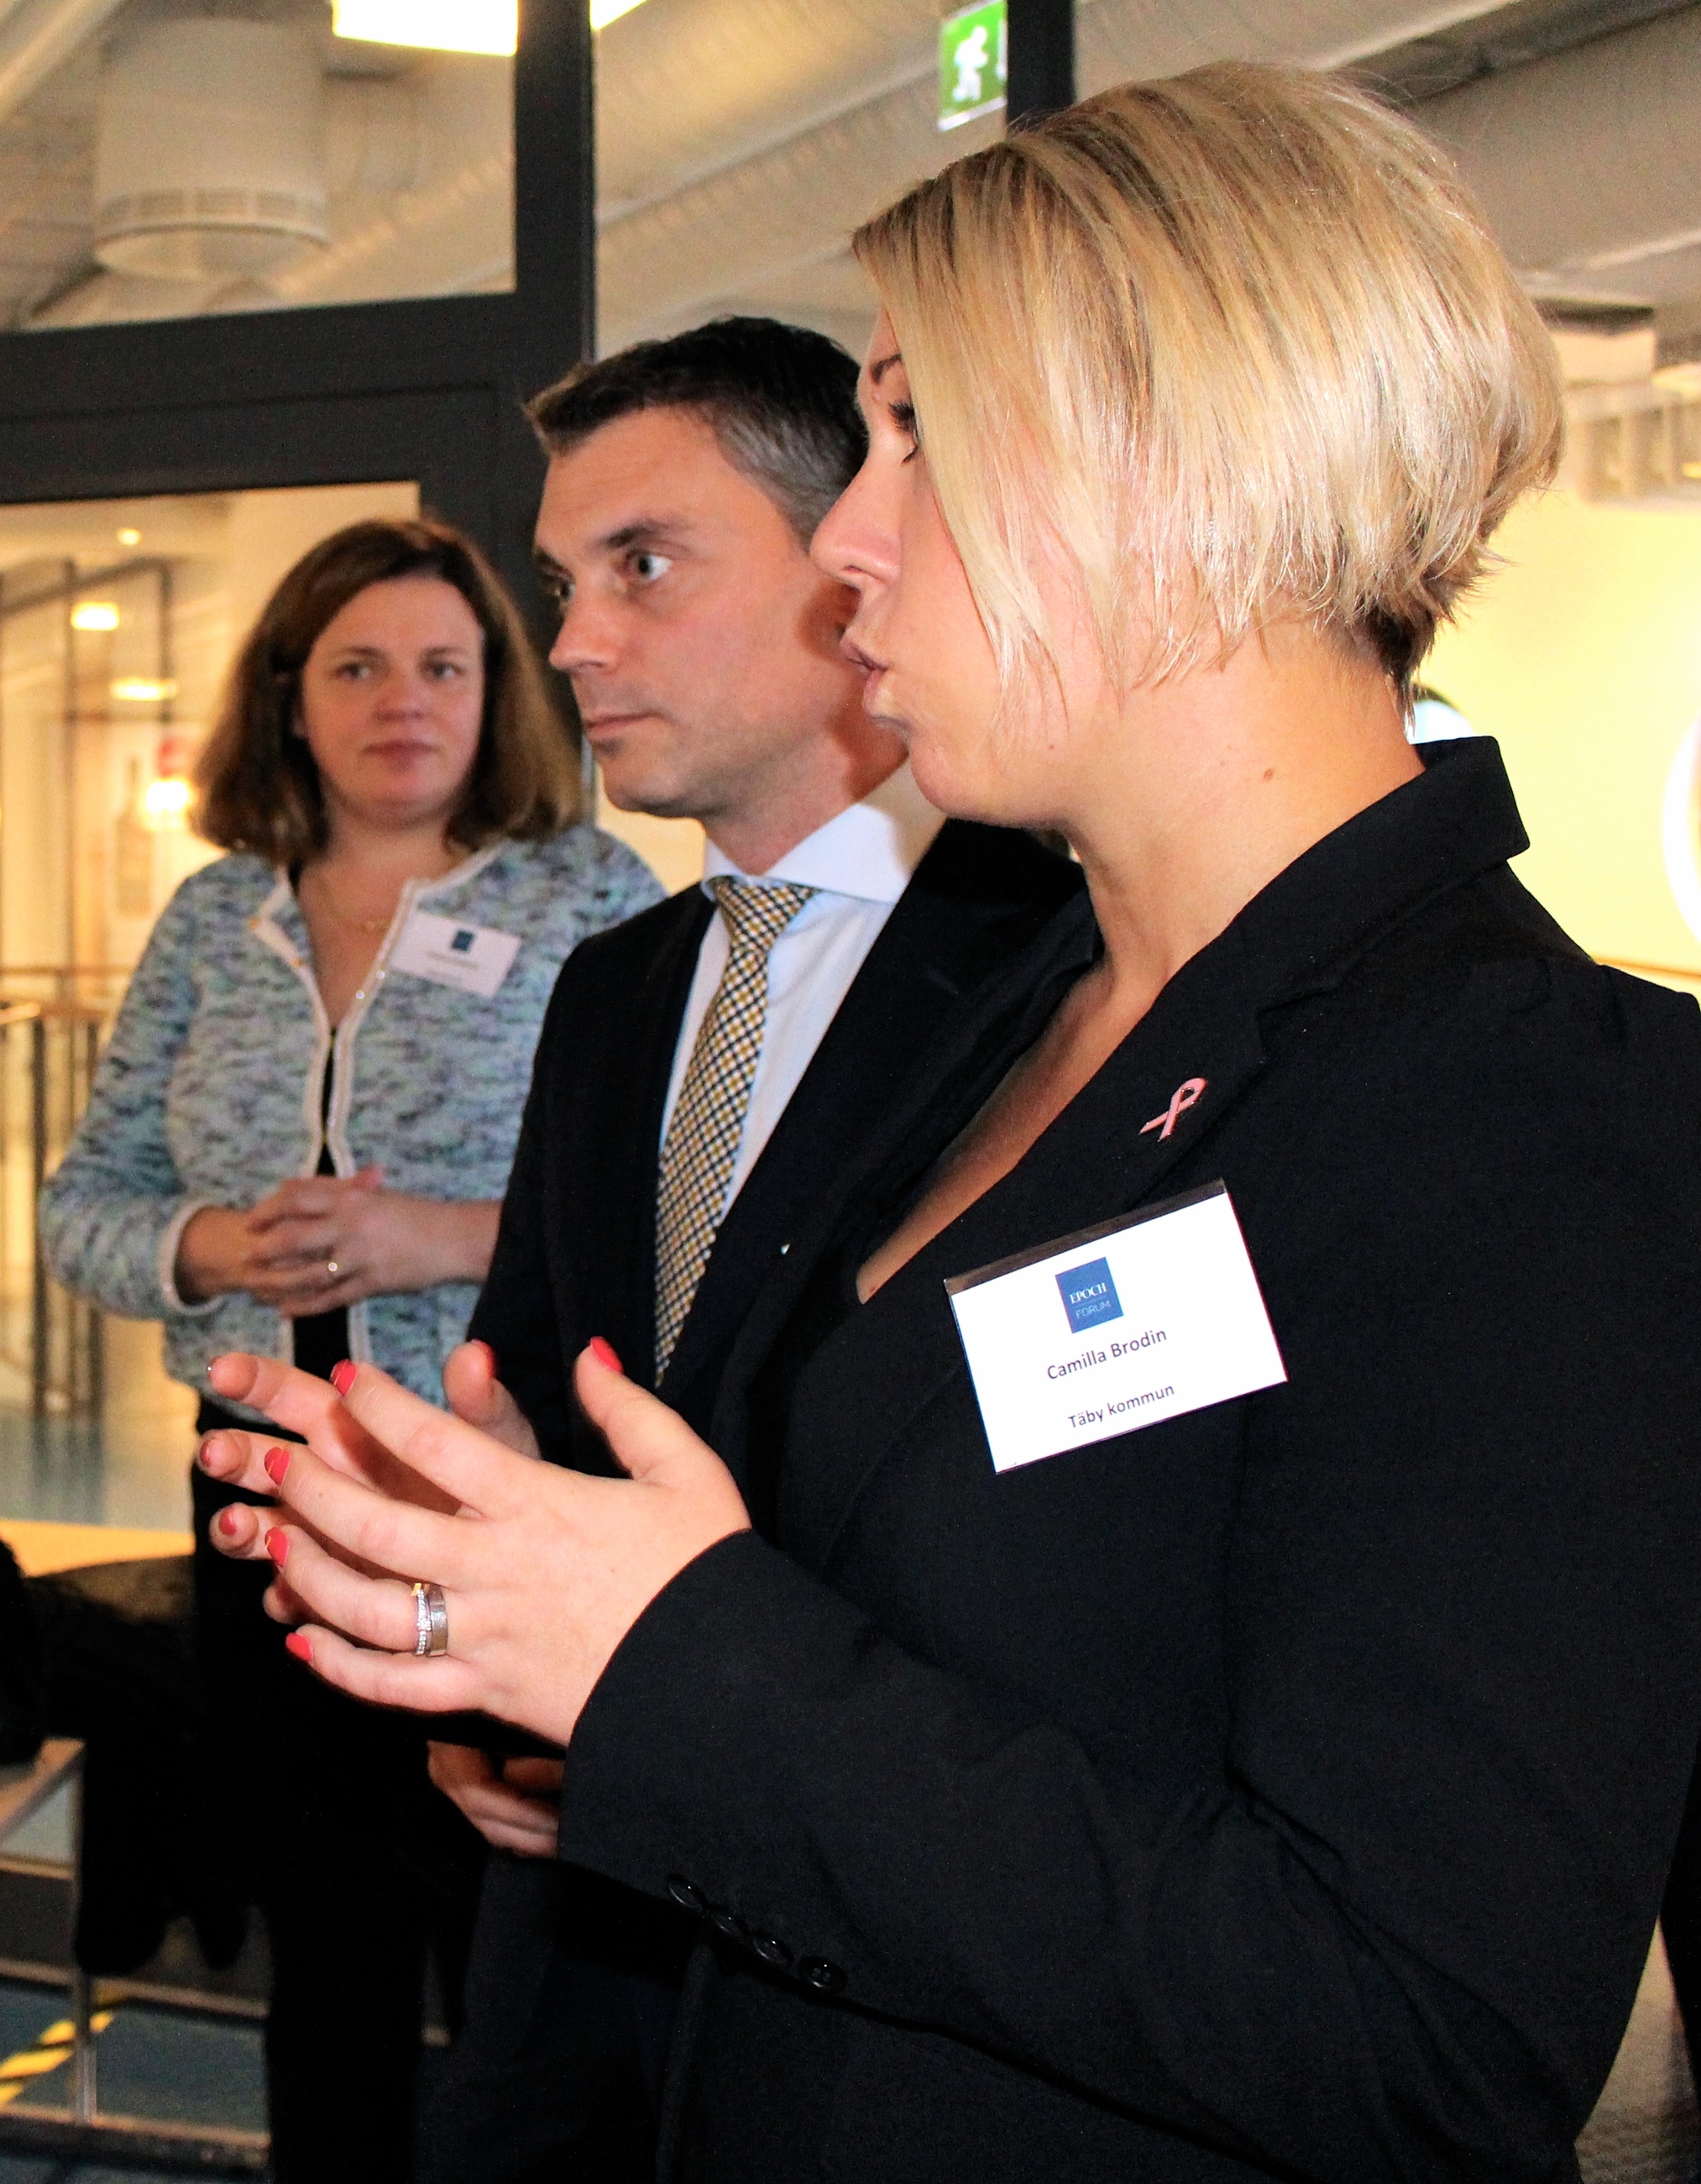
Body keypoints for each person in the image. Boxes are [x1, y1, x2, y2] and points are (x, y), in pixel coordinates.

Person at [196, 64, 1701, 2182]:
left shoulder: (1532, 1114)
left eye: (918, 432)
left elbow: (1422, 2030)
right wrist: (565, 1601)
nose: (846, 539)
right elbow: (954, 1655)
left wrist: (676, 1661)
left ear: (1182, 465)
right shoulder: (1003, 1018)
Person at [421, 320, 1076, 2181]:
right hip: (583, 1924)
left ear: (855, 557)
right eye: (565, 581)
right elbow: (550, 1386)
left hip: (902, 1957)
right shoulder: (618, 987)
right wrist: (468, 1646)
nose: (571, 644)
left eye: (644, 565)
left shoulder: (1066, 972)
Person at [39, 515, 657, 2179]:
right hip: (264, 1500)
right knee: (327, 1937)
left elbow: (665, 1196)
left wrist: (439, 1238)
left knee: (517, 1934)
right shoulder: (210, 920)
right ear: (288, 700)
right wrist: (202, 1245)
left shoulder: (584, 894)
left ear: (495, 691)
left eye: (445, 665)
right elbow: (82, 1202)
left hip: (493, 1491)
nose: (407, 700)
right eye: (360, 666)